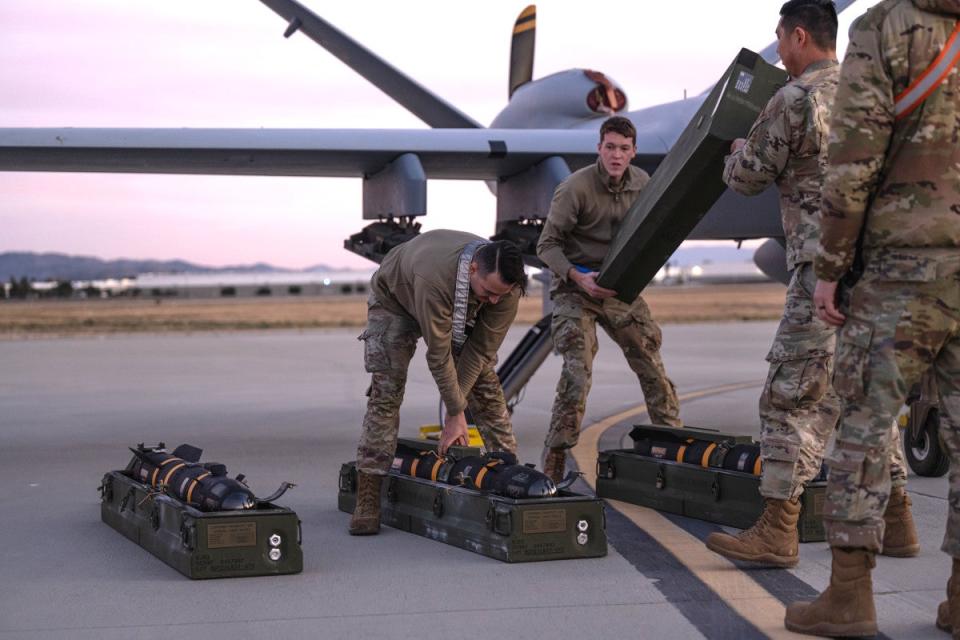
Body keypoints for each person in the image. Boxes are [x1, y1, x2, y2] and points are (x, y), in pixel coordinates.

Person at [705, 0, 917, 569]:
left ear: (800, 36)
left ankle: (777, 530)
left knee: (789, 397)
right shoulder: (878, 93)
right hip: (878, 272)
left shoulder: (794, 99)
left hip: (821, 270)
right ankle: (897, 521)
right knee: (868, 394)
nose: (778, 49)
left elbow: (749, 179)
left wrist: (735, 155)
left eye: (780, 38)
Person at [781, 0, 960, 636]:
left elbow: (853, 158)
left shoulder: (882, 26)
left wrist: (829, 266)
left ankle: (849, 597)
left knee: (861, 428)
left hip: (900, 271)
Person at [349, 230, 528, 535]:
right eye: (489, 292)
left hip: (457, 306)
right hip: (396, 301)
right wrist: (456, 414)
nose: (495, 300)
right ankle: (368, 492)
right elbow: (439, 353)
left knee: (485, 384)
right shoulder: (434, 277)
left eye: (501, 293)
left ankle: (510, 475)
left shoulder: (505, 290)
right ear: (473, 268)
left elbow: (480, 351)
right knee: (387, 391)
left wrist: (455, 411)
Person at [536, 115, 681, 483]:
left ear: (633, 152)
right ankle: (555, 455)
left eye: (624, 149)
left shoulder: (642, 184)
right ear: (599, 148)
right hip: (576, 288)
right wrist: (577, 277)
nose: (616, 155)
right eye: (610, 147)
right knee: (577, 373)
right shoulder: (575, 189)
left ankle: (676, 444)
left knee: (651, 363)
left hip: (618, 288)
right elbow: (546, 246)